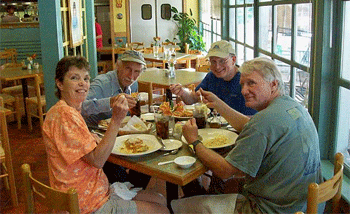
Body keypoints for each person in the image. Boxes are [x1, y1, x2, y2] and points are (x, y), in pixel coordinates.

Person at [171, 57, 324, 213]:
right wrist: (218, 103)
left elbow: (225, 171)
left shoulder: (263, 122)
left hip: (269, 209)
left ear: (273, 84)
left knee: (178, 207)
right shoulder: (291, 105)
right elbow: (249, 125)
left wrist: (194, 141)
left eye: (251, 83)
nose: (244, 90)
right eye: (242, 84)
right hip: (306, 204)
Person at [42, 56, 169, 214]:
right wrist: (116, 119)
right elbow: (97, 160)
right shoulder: (65, 116)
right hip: (86, 203)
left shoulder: (62, 111)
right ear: (59, 83)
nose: (83, 83)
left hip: (93, 190)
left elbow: (81, 148)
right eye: (74, 78)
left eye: (86, 78)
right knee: (162, 210)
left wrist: (92, 138)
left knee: (160, 199)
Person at [81, 50, 150, 188]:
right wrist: (111, 102)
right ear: (118, 65)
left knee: (146, 160)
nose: (131, 76)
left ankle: (133, 190)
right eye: (128, 69)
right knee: (119, 175)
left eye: (137, 71)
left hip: (117, 134)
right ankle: (125, 192)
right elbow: (82, 106)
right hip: (95, 138)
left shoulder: (133, 84)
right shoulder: (102, 83)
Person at [170, 40, 256, 116]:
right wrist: (182, 92)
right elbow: (193, 99)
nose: (217, 67)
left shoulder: (245, 81)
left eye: (222, 61)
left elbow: (251, 120)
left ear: (233, 60)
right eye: (213, 62)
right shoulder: (212, 76)